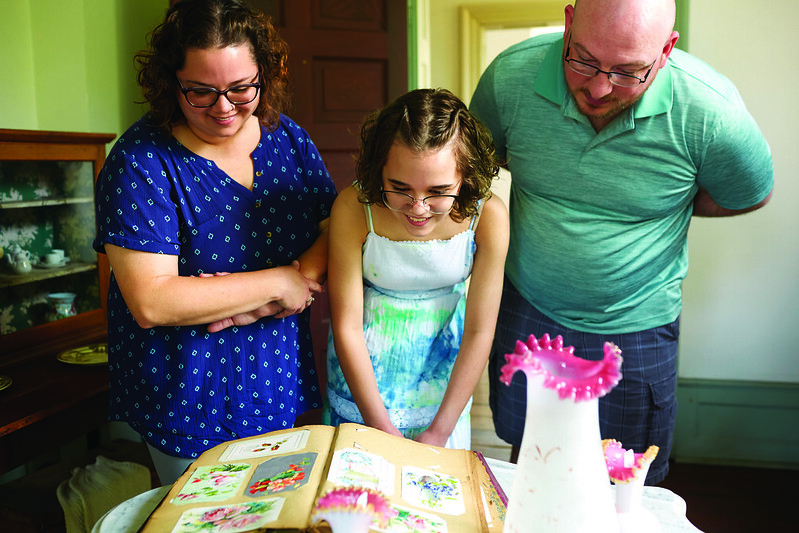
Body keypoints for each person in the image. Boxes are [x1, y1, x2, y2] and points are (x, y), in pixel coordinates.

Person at [469, 0, 773, 484]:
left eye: (629, 72)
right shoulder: (509, 79)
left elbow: (748, 193)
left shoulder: (711, 112)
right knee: (531, 465)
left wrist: (667, 205)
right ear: (568, 23)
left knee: (628, 483)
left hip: (637, 323)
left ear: (667, 50)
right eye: (583, 59)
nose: (598, 87)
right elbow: (478, 161)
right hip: (528, 306)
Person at [92, 0, 337, 484]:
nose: (224, 107)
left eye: (241, 88)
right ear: (170, 82)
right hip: (187, 393)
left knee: (271, 510)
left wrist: (273, 295)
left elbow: (338, 227)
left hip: (276, 374)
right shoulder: (141, 162)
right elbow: (153, 300)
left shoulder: (288, 140)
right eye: (201, 92)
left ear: (264, 75)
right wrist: (279, 282)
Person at [325, 88, 509, 449]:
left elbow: (480, 331)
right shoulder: (352, 207)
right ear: (379, 169)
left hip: (444, 383)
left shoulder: (488, 217)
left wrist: (441, 430)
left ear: (466, 175)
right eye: (400, 188)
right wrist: (379, 425)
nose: (419, 208)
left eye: (438, 190)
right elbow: (346, 326)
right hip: (363, 383)